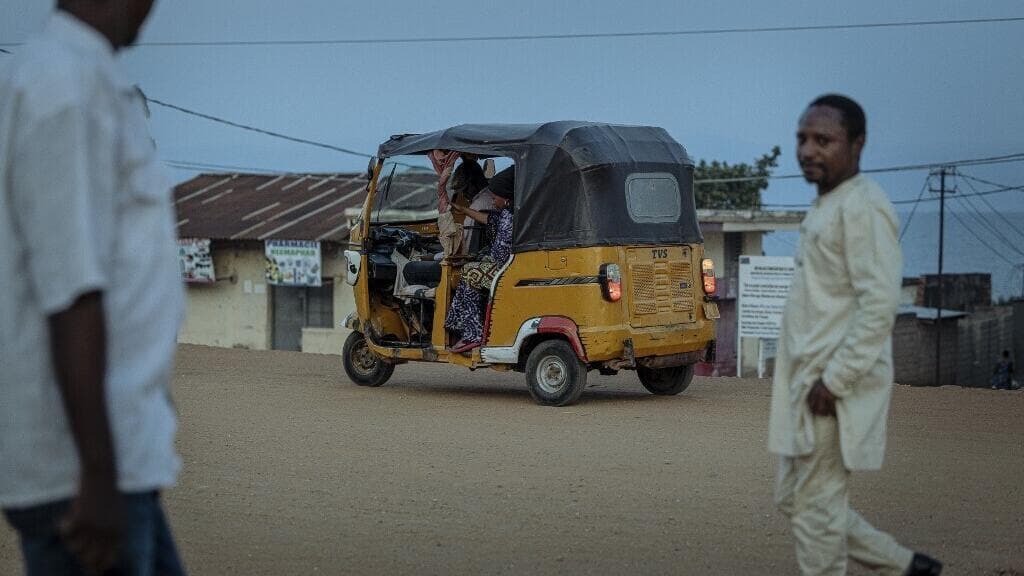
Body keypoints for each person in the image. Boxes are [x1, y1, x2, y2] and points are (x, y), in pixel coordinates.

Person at [0, 1, 187, 575]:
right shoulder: (63, 88)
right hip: (82, 477)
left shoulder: (92, 83)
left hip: (116, 462)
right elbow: (72, 292)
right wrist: (98, 474)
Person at [768, 95, 942, 576]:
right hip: (808, 385)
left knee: (816, 514)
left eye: (823, 140)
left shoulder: (864, 208)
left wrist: (836, 382)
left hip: (831, 390)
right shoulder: (829, 204)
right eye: (802, 138)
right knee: (794, 499)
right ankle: (906, 566)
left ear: (857, 144)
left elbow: (879, 306)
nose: (807, 150)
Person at [444, 166, 515, 353]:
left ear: (506, 197)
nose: (492, 199)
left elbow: (501, 252)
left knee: (469, 273)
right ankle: (461, 328)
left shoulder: (513, 219)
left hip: (507, 269)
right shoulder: (508, 214)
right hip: (503, 265)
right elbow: (488, 219)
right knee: (470, 269)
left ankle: (473, 333)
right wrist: (463, 209)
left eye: (496, 195)